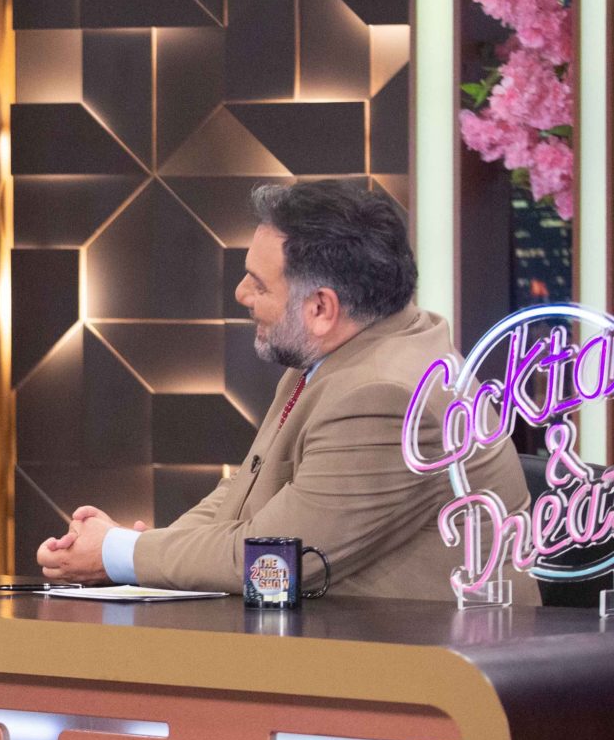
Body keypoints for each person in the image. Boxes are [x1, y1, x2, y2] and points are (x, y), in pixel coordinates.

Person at [38, 179, 532, 599]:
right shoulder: (345, 348)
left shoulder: (388, 398)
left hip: (419, 666)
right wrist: (128, 549)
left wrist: (117, 554)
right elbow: (247, 491)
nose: (241, 294)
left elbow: (274, 561)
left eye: (259, 284)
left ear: (321, 308)